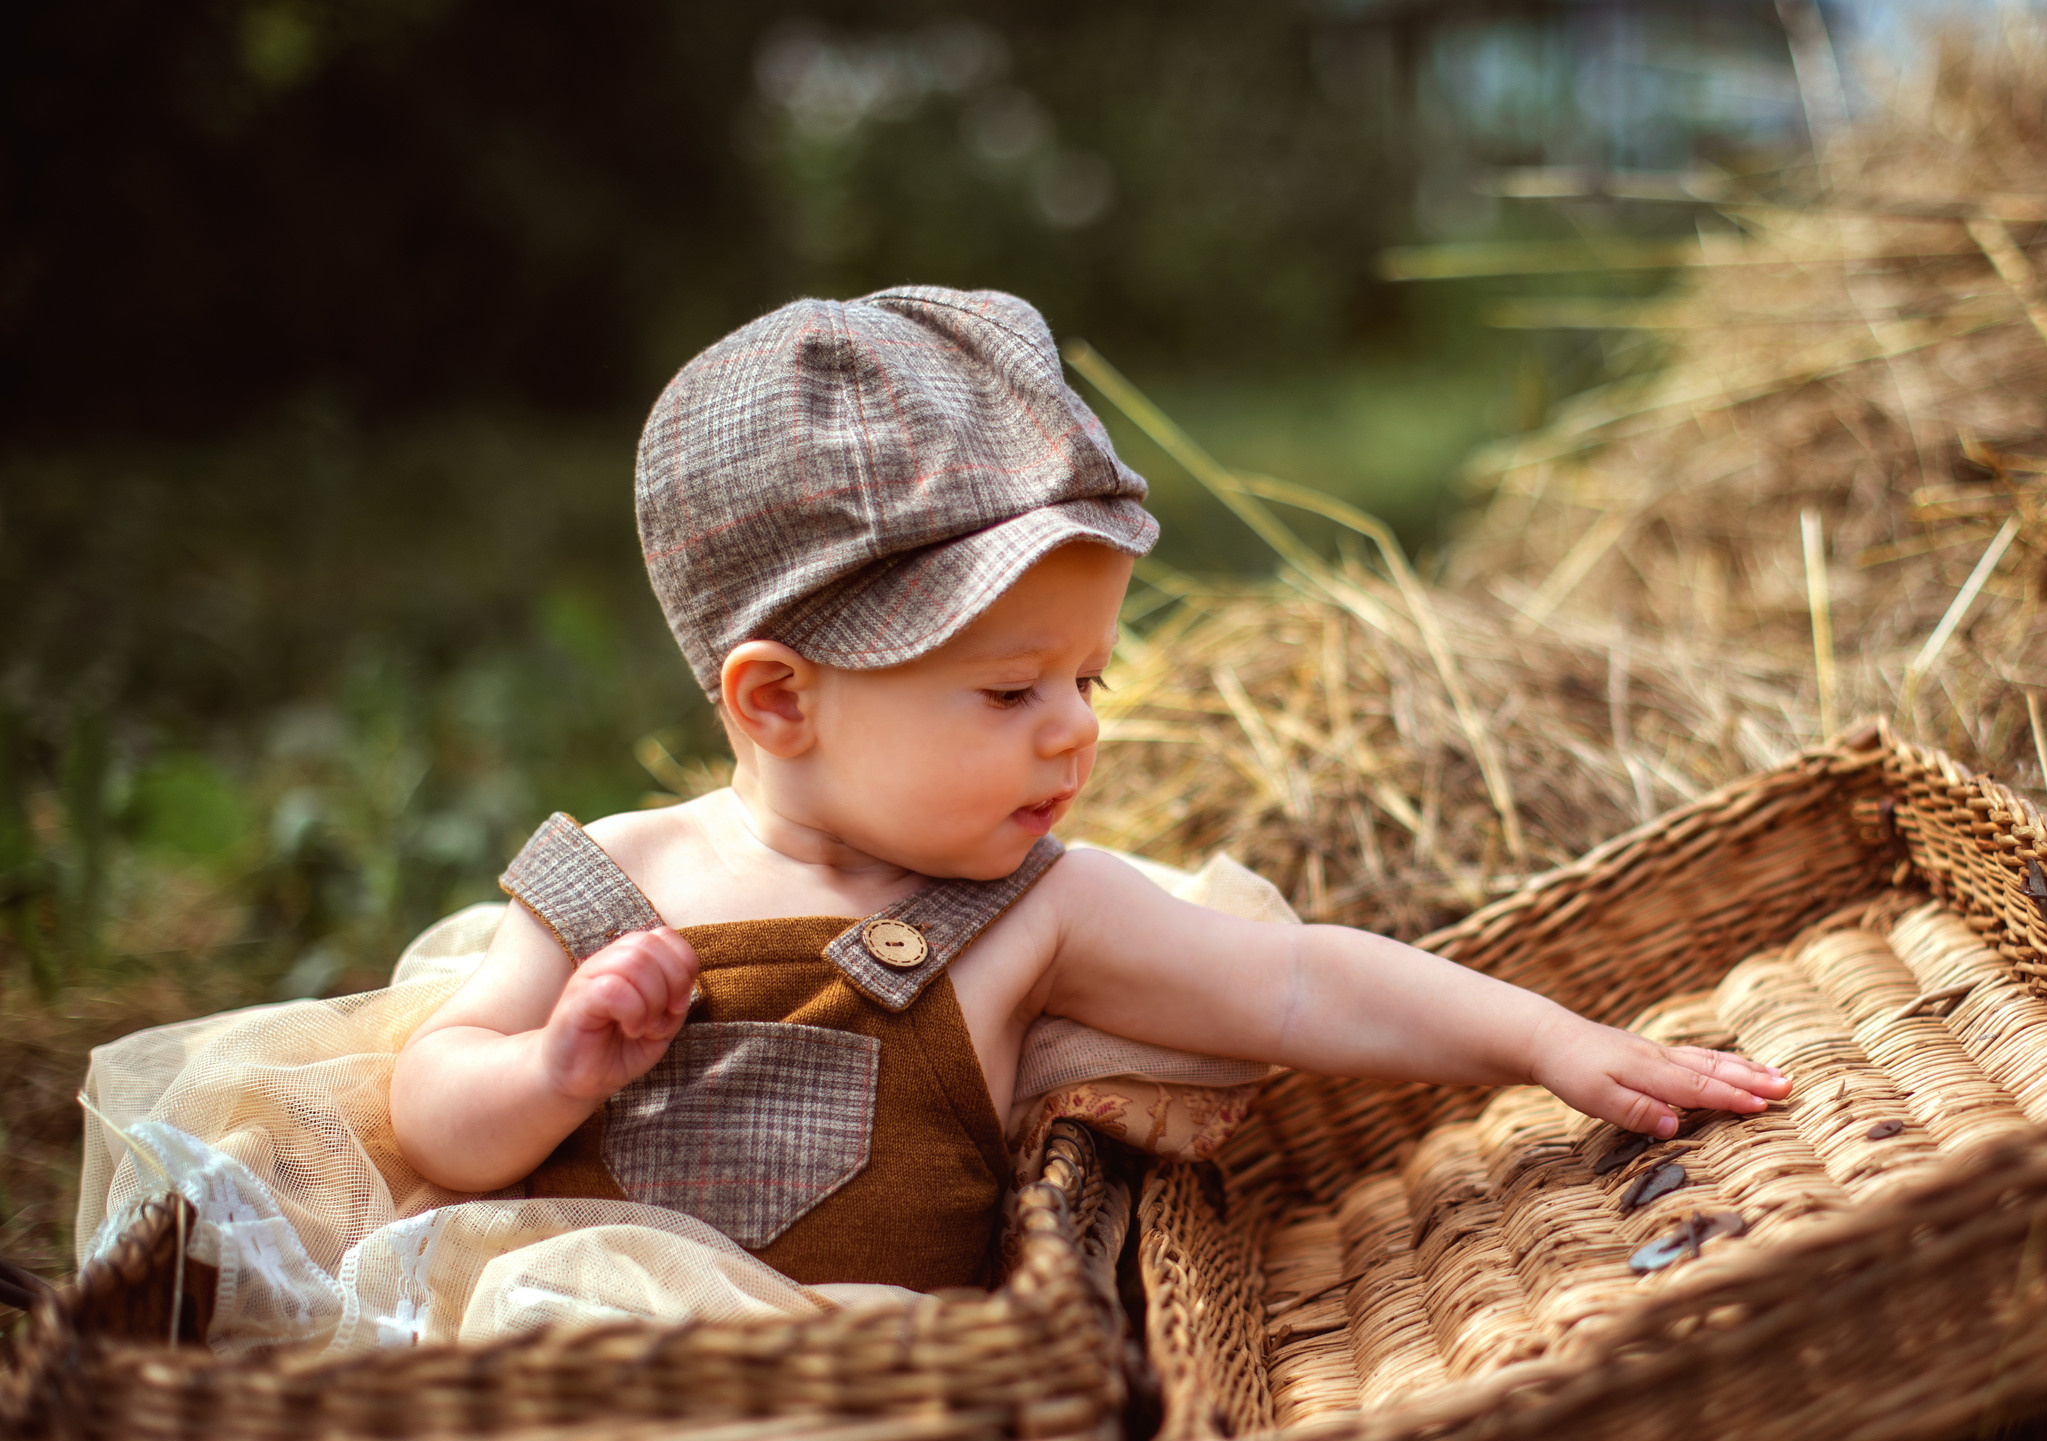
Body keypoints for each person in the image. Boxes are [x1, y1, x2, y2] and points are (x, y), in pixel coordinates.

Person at [389, 288, 1788, 1292]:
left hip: (884, 1438)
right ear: (777, 701)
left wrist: (1545, 1043)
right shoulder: (622, 879)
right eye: (1011, 692)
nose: (1072, 735)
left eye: (1090, 682)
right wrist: (559, 1066)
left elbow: (1301, 983)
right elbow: (435, 1119)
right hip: (566, 1399)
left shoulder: (1029, 912)